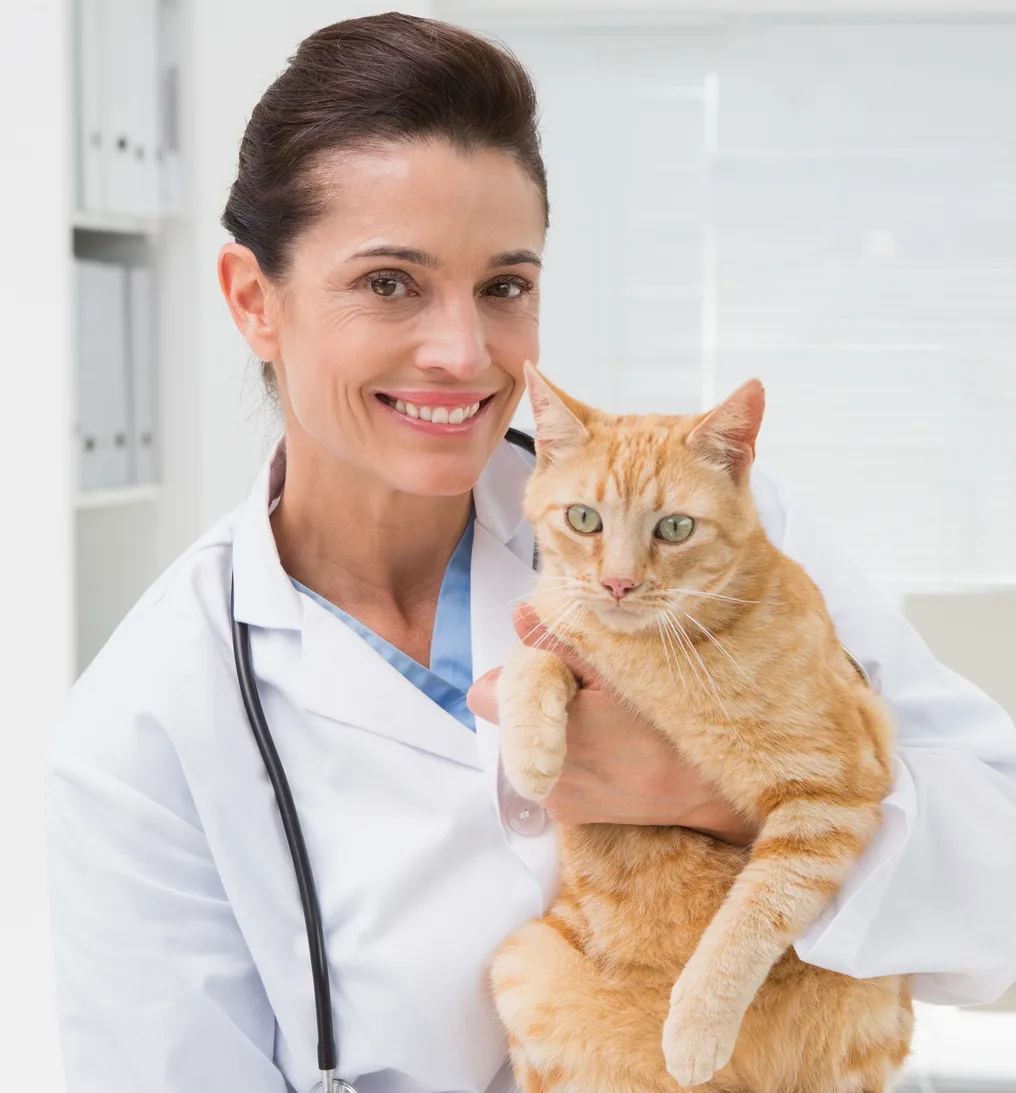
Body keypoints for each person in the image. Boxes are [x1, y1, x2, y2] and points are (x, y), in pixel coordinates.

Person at [47, 13, 1016, 1093]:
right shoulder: (144, 727)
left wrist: (712, 791)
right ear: (251, 300)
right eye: (388, 283)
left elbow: (1001, 874)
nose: (464, 353)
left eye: (504, 286)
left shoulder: (721, 543)